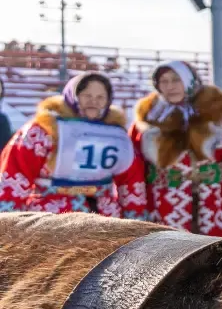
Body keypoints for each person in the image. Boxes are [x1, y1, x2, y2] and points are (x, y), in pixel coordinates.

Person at [131, 60, 222, 236]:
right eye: (163, 81)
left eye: (176, 79)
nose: (170, 86)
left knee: (220, 257)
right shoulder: (147, 119)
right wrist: (136, 208)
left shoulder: (219, 113)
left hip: (217, 203)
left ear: (190, 81)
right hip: (163, 206)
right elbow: (134, 166)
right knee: (169, 259)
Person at [0, 72, 146, 217]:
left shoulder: (117, 136)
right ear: (73, 95)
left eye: (100, 97)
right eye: (86, 95)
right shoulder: (46, 130)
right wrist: (8, 219)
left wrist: (135, 218)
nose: (93, 101)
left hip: (103, 217)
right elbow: (15, 174)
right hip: (51, 216)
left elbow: (131, 181)